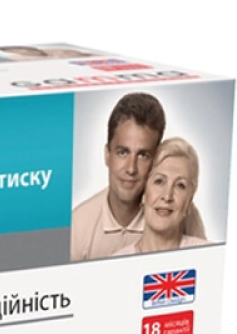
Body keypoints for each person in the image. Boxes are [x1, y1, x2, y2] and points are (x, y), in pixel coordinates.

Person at [70, 94, 205, 261]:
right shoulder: (78, 226)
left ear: (155, 160)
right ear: (107, 155)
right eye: (122, 152)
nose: (131, 168)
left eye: (143, 155)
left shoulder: (178, 214)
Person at [114, 138, 210, 255]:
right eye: (159, 181)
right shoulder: (117, 261)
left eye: (180, 185)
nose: (167, 196)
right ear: (144, 193)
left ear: (189, 200)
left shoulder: (208, 256)